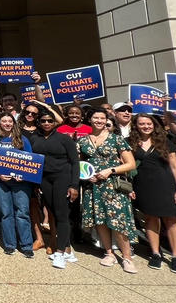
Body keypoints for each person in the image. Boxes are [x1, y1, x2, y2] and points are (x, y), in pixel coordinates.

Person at [77, 108, 138, 274]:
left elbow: (130, 164)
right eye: (95, 118)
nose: (99, 121)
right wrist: (85, 176)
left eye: (102, 118)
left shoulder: (116, 139)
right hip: (93, 186)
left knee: (118, 221)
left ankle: (127, 258)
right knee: (100, 220)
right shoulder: (82, 141)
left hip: (112, 185)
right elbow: (80, 164)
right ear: (89, 120)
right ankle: (109, 253)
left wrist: (110, 170)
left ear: (106, 120)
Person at [129, 113, 176, 274]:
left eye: (149, 123)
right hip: (143, 185)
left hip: (166, 185)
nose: (146, 126)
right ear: (136, 126)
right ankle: (155, 253)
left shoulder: (165, 142)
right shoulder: (131, 143)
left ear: (154, 125)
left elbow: (175, 166)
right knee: (150, 218)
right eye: (142, 124)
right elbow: (129, 168)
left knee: (171, 220)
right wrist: (130, 188)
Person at [29, 107, 80, 269]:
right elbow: (30, 160)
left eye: (49, 121)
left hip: (62, 178)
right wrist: (35, 183)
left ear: (55, 123)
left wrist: (74, 185)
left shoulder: (64, 139)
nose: (46, 123)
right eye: (43, 121)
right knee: (52, 212)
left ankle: (60, 252)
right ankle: (67, 248)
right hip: (44, 179)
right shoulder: (33, 138)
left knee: (62, 213)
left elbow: (75, 162)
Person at [0, 111, 35, 257]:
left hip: (21, 182)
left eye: (10, 121)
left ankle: (26, 245)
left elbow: (30, 160)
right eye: (4, 121)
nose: (7, 124)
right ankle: (9, 244)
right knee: (6, 213)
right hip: (0, 182)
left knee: (22, 213)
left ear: (13, 123)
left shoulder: (22, 139)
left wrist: (24, 174)